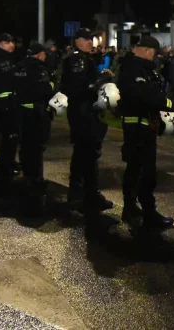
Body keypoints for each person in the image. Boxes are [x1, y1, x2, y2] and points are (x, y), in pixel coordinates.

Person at [117, 36, 174, 230]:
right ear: (144, 50)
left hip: (147, 126)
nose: (153, 56)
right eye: (152, 52)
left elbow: (154, 93)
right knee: (136, 170)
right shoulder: (131, 68)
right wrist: (166, 104)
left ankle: (148, 210)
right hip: (135, 127)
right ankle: (131, 209)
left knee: (147, 172)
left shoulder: (146, 69)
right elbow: (142, 95)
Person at [60, 29, 113, 213]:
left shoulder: (83, 58)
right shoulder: (78, 60)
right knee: (86, 152)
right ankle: (82, 194)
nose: (90, 42)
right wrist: (102, 78)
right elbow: (84, 88)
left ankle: (87, 193)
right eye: (86, 39)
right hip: (82, 111)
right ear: (77, 41)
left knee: (88, 152)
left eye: (91, 39)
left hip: (84, 111)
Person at [13, 43, 55, 215]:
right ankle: (36, 181)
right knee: (37, 149)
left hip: (20, 113)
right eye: (44, 54)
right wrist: (53, 85)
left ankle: (27, 178)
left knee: (24, 147)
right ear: (39, 55)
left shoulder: (18, 67)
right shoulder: (39, 68)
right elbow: (45, 89)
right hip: (36, 115)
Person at [0, 33, 20, 186]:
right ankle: (4, 167)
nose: (11, 44)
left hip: (4, 102)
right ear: (0, 43)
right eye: (8, 42)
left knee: (10, 136)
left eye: (12, 42)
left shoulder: (7, 57)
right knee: (9, 135)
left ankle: (6, 164)